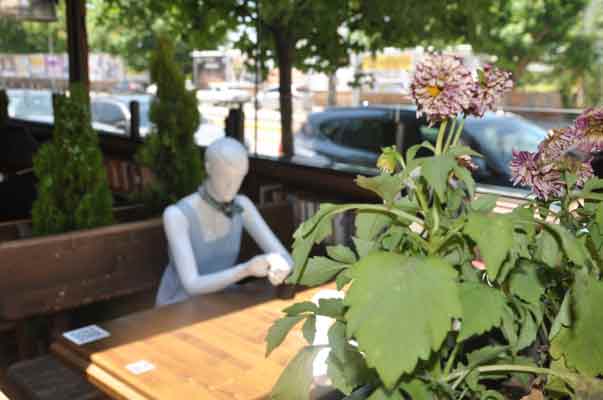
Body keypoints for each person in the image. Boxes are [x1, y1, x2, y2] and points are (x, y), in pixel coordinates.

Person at [156, 137, 293, 306]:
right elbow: (191, 285)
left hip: (220, 302)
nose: (232, 186)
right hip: (177, 307)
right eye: (225, 177)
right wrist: (246, 270)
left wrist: (280, 266)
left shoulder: (241, 206)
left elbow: (285, 258)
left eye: (239, 178)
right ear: (209, 168)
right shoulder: (177, 215)